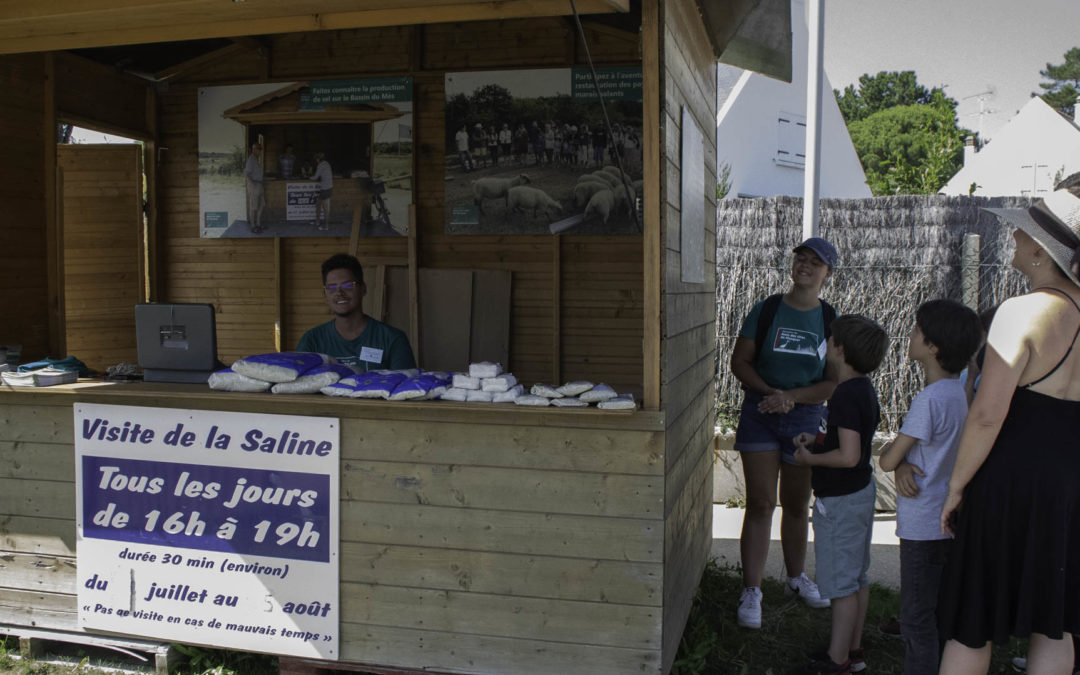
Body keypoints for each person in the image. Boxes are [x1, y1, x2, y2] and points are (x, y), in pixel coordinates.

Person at [937, 186, 1080, 674]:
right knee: (1054, 620)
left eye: (1023, 230)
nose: (1014, 237)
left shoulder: (1020, 311)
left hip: (1008, 480)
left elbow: (986, 414)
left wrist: (955, 488)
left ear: (1042, 250)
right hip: (1068, 483)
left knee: (971, 617)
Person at [729, 237, 840, 629]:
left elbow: (831, 383)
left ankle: (796, 578)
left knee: (797, 505)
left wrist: (792, 398)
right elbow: (739, 362)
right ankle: (752, 590)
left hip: (805, 420)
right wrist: (772, 395)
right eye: (801, 259)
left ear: (828, 274)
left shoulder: (830, 320)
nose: (805, 267)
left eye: (816, 263)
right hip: (760, 411)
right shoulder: (767, 309)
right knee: (760, 504)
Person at [877, 299, 982, 675]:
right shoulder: (960, 395)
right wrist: (907, 461)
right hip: (948, 523)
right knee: (937, 614)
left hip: (922, 526)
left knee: (916, 619)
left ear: (933, 346)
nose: (911, 334)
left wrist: (897, 460)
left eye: (918, 330)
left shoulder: (928, 400)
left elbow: (887, 460)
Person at [790, 314, 890, 675]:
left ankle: (837, 662)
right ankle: (854, 650)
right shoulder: (863, 388)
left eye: (830, 339)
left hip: (842, 503)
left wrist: (809, 457)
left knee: (842, 585)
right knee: (857, 577)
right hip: (861, 493)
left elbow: (847, 456)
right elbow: (854, 443)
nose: (827, 343)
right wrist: (818, 440)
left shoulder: (846, 394)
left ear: (841, 350)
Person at [296, 253, 416, 372]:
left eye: (348, 285)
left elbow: (407, 389)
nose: (339, 293)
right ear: (325, 294)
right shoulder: (312, 341)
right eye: (332, 287)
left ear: (363, 288)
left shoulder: (392, 339)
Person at [244, 142, 265, 233]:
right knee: (253, 207)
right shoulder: (251, 160)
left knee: (262, 204)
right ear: (254, 149)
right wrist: (252, 185)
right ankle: (253, 226)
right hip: (254, 185)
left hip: (259, 184)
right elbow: (247, 174)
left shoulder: (256, 159)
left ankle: (258, 224)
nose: (260, 151)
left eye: (260, 149)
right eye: (259, 149)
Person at [309, 152, 333, 231]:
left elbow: (315, 177)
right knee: (318, 205)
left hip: (325, 189)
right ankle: (318, 221)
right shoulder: (326, 163)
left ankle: (326, 226)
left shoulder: (320, 165)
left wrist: (309, 177)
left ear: (318, 159)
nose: (316, 161)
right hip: (328, 187)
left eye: (316, 159)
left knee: (326, 209)